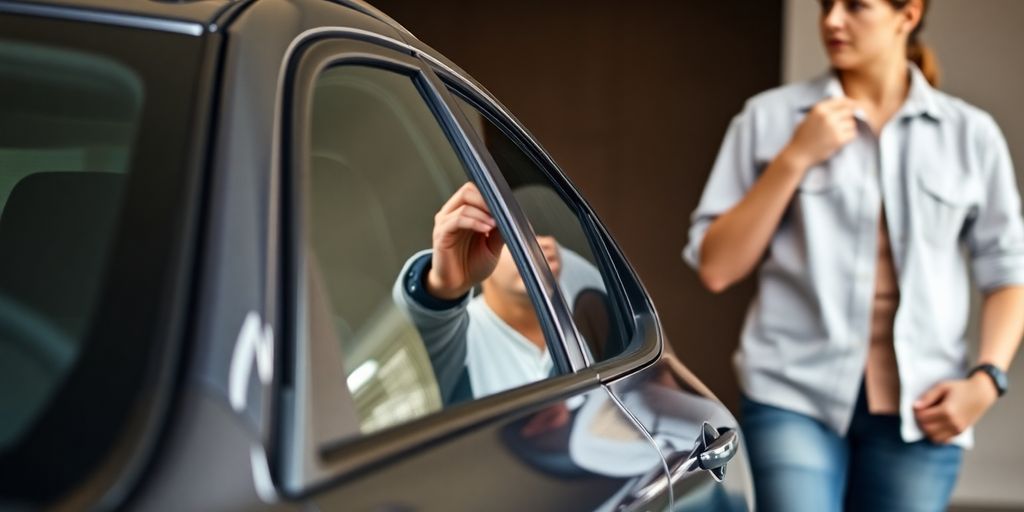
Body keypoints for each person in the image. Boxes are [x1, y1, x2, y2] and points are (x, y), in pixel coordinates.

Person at [683, 0, 1024, 511]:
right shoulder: (769, 118)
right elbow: (716, 267)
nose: (832, 21)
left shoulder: (970, 135)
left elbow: (1008, 273)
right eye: (826, 6)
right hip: (791, 395)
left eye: (856, 6)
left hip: (923, 408)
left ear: (907, 15)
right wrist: (796, 157)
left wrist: (987, 379)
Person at [393, 182, 605, 405]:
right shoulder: (461, 334)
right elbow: (425, 319)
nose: (530, 246)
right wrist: (443, 284)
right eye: (506, 239)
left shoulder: (580, 298)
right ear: (478, 251)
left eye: (533, 235)